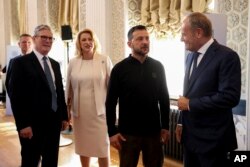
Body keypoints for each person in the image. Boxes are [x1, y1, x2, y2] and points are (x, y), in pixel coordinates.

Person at [176, 12, 241, 167]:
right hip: (190, 138)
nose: (181, 39)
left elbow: (229, 97)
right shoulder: (190, 56)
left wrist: (191, 104)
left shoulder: (227, 56)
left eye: (184, 34)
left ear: (198, 32)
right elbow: (188, 93)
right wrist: (180, 122)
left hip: (213, 141)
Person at [105, 25, 170, 167]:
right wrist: (111, 131)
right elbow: (110, 102)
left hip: (153, 133)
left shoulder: (158, 67)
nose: (145, 42)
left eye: (147, 38)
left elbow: (164, 99)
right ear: (130, 43)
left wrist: (165, 126)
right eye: (140, 39)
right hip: (128, 134)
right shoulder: (119, 69)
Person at [8, 24, 69, 167]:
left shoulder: (55, 64)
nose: (48, 41)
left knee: (51, 160)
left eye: (50, 38)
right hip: (32, 126)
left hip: (53, 123)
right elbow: (16, 95)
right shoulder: (20, 63)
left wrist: (64, 116)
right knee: (30, 160)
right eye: (44, 37)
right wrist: (23, 124)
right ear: (34, 39)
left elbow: (59, 91)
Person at [65, 28, 112, 167]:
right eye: (83, 39)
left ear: (94, 41)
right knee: (83, 147)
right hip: (80, 113)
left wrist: (114, 111)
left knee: (102, 147)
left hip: (100, 113)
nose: (87, 42)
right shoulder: (73, 62)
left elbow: (113, 88)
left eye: (90, 39)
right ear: (79, 43)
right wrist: (67, 112)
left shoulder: (104, 60)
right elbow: (68, 88)